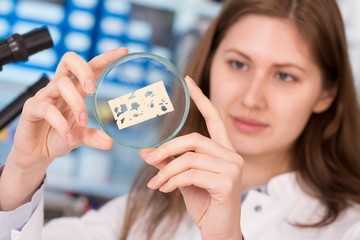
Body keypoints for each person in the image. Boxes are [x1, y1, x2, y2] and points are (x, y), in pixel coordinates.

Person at [1, 0, 360, 239]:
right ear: (208, 66)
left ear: (326, 93)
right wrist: (21, 173)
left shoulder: (349, 226)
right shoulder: (145, 208)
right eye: (238, 64)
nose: (252, 98)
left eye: (285, 76)